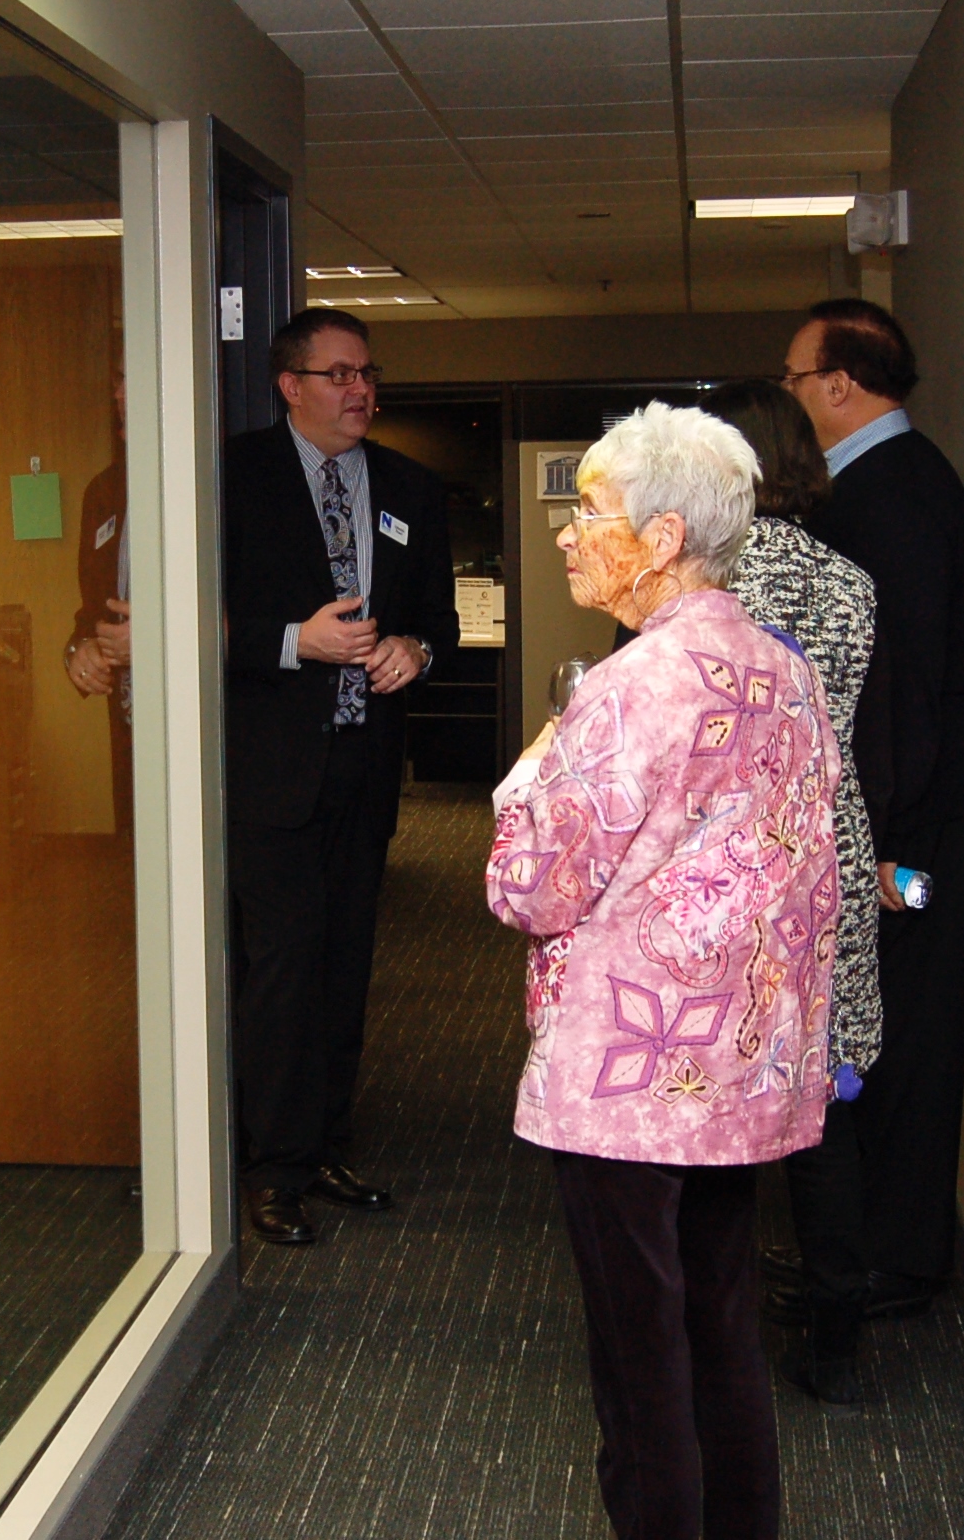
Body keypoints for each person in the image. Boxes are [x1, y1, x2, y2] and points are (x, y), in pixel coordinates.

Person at [488, 402, 841, 1540]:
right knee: (719, 1332)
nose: (567, 532)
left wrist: (527, 773)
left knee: (639, 1374)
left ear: (663, 537)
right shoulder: (780, 672)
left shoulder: (634, 686)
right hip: (731, 1067)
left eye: (590, 511)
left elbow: (531, 888)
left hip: (627, 1081)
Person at [223, 309, 455, 1247]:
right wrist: (296, 642)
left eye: (367, 374)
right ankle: (271, 1166)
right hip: (270, 771)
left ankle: (324, 1143)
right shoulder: (230, 477)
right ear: (291, 385)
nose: (360, 390)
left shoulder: (409, 486)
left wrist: (415, 649)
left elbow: (438, 617)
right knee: (282, 970)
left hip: (364, 769)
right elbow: (185, 619)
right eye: (340, 375)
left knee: (345, 966)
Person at [780, 296, 964, 1320]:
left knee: (899, 1038)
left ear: (837, 384)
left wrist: (879, 852)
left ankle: (889, 1262)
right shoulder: (877, 485)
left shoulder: (892, 497)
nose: (788, 396)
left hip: (905, 827)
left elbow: (897, 698)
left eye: (792, 378)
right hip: (892, 814)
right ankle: (860, 1248)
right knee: (875, 1032)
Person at [700, 378, 884, 1408]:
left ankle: (711, 1334)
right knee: (820, 1089)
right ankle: (835, 1335)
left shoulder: (697, 586)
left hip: (724, 856)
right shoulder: (848, 581)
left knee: (711, 1085)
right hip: (825, 845)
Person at [64, 366, 133, 831]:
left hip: (211, 732)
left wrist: (157, 641)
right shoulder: (104, 491)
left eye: (131, 378)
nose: (119, 394)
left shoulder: (216, 483)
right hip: (131, 732)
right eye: (118, 380)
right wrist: (81, 649)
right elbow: (91, 613)